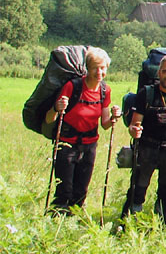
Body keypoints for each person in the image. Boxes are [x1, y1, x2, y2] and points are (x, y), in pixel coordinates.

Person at [120, 54, 166, 224]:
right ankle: (130, 224)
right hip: (147, 149)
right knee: (137, 188)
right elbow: (135, 124)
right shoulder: (145, 94)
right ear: (159, 73)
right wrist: (134, 131)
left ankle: (163, 225)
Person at [45, 47, 121, 214]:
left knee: (80, 191)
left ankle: (73, 222)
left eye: (103, 68)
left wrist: (115, 117)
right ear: (88, 68)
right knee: (64, 189)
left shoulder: (104, 90)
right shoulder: (72, 86)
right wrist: (56, 108)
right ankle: (56, 221)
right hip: (66, 144)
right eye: (95, 67)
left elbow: (105, 124)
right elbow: (50, 119)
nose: (99, 72)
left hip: (89, 146)